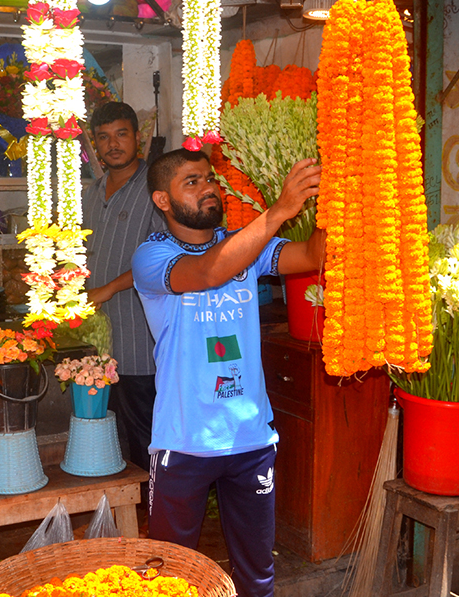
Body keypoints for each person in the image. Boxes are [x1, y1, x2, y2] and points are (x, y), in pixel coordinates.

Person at [132, 148, 324, 597]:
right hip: (184, 442)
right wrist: (278, 211)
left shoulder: (247, 244)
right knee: (169, 575)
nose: (208, 188)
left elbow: (316, 254)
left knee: (257, 575)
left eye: (209, 179)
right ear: (163, 200)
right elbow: (207, 272)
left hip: (251, 439)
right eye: (192, 182)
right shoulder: (151, 255)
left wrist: (327, 201)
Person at [81, 102, 165, 479]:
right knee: (105, 424)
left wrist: (107, 289)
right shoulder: (90, 192)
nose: (113, 144)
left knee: (143, 427)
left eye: (121, 135)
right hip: (97, 335)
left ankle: (155, 510)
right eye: (103, 137)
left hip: (138, 332)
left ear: (138, 138)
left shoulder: (156, 189)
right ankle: (123, 503)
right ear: (95, 145)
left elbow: (164, 257)